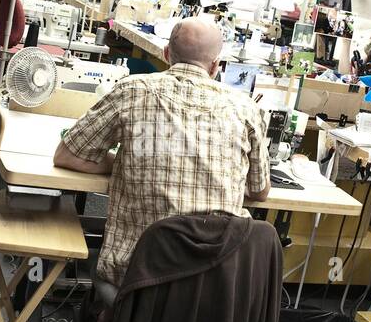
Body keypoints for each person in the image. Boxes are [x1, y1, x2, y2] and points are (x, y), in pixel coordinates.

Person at [54, 18, 271, 289]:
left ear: (166, 54)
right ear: (216, 66)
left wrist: (128, 160)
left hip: (138, 276)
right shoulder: (246, 108)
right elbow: (259, 191)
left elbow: (68, 156)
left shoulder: (132, 90)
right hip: (214, 281)